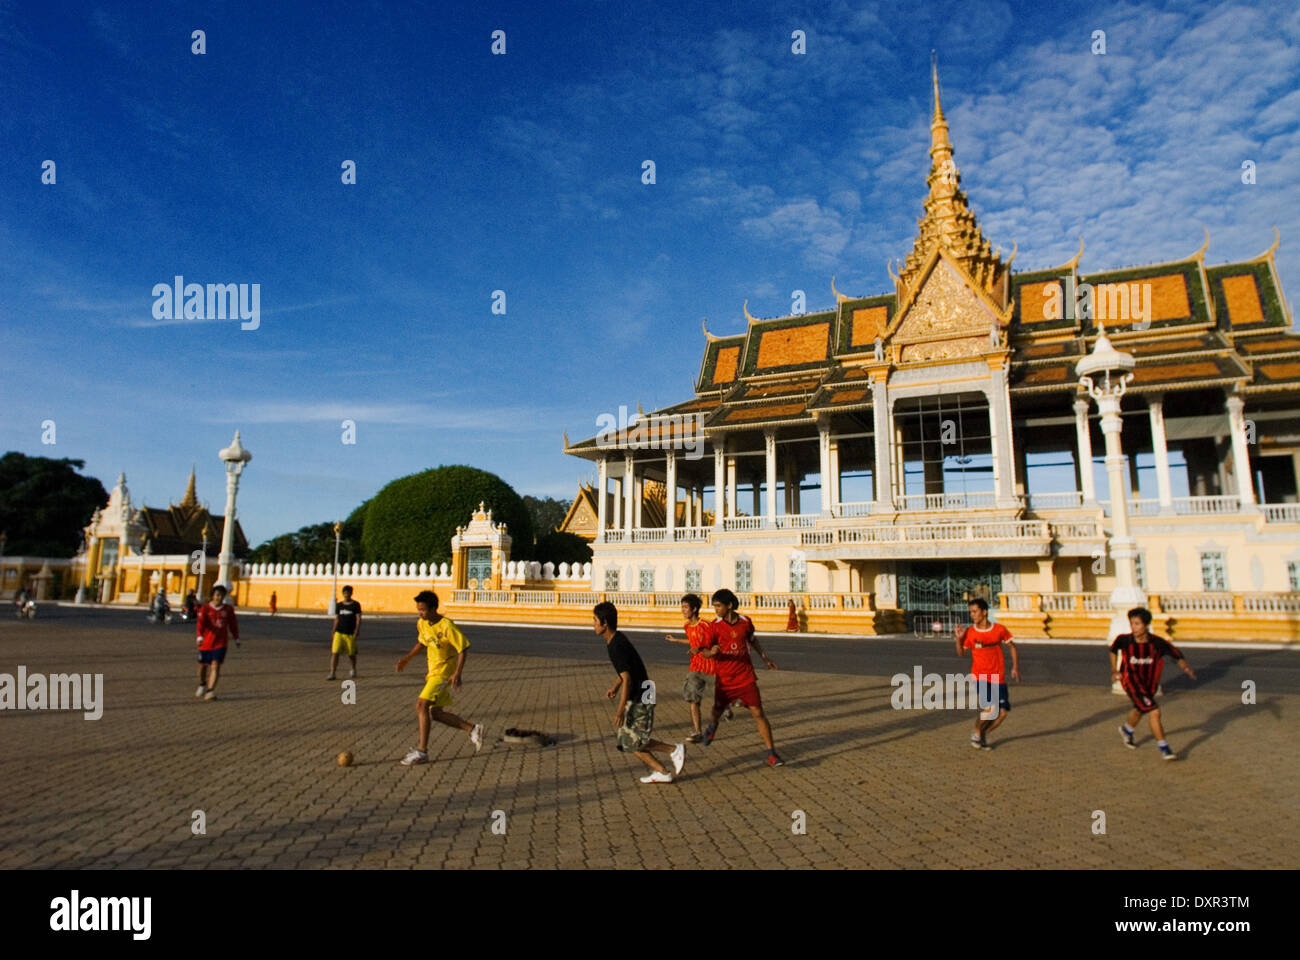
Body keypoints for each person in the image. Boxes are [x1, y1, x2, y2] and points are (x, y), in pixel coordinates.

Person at [597, 601, 684, 783]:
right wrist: (615, 687)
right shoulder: (616, 640)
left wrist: (620, 710)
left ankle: (673, 750)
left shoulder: (616, 646)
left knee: (635, 741)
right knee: (627, 743)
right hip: (641, 692)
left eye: (595, 621)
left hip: (642, 694)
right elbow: (626, 672)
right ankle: (662, 772)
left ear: (605, 624)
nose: (593, 625)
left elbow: (627, 678)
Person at [395, 590, 483, 766]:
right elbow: (422, 642)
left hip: (443, 673)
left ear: (434, 608)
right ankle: (473, 729)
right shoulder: (422, 623)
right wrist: (407, 658)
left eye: (423, 610)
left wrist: (458, 673)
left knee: (421, 705)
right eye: (418, 609)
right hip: (432, 673)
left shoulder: (447, 626)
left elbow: (463, 648)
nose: (420, 613)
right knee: (435, 713)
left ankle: (422, 751)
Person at [697, 589, 783, 766]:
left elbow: (752, 639)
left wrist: (765, 658)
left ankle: (771, 753)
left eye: (718, 606)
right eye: (714, 606)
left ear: (729, 606)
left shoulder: (745, 622)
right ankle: (712, 727)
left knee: (758, 712)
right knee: (716, 711)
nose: (716, 610)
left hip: (745, 676)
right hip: (725, 679)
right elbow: (704, 650)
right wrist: (711, 652)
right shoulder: (714, 626)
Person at [1110, 607, 1196, 761]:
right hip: (1130, 681)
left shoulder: (1157, 643)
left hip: (1149, 684)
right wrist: (1115, 670)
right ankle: (1164, 748)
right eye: (1132, 624)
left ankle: (1127, 730)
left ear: (1146, 625)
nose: (1133, 628)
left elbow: (1176, 655)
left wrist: (1186, 668)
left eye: (1137, 624)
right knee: (1154, 711)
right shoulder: (1124, 640)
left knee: (1140, 708)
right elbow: (1113, 649)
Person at [955, 597, 1019, 750]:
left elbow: (1012, 646)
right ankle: (977, 731)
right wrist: (958, 639)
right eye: (970, 612)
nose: (972, 615)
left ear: (984, 612)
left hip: (998, 676)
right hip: (980, 676)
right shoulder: (970, 632)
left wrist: (1015, 667)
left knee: (1002, 713)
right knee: (991, 709)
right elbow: (961, 653)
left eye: (975, 612)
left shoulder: (999, 630)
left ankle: (983, 734)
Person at [665, 593, 715, 742]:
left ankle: (727, 709)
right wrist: (676, 640)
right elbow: (692, 641)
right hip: (695, 667)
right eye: (682, 607)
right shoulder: (686, 626)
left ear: (694, 609)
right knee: (693, 699)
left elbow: (714, 642)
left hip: (711, 667)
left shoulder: (706, 625)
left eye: (685, 607)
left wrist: (700, 648)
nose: (683, 610)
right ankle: (698, 731)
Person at [195, 584, 240, 701]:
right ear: (212, 596)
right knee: (202, 667)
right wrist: (199, 637)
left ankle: (210, 691)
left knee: (215, 666)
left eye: (221, 595)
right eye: (217, 595)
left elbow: (233, 624)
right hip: (205, 643)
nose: (219, 597)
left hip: (220, 643)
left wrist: (236, 638)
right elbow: (200, 624)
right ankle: (202, 683)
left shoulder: (228, 610)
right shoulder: (205, 609)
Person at [327, 585, 362, 680]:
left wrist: (357, 629)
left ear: (351, 593)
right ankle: (332, 672)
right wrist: (333, 630)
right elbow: (337, 619)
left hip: (350, 633)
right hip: (339, 632)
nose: (346, 594)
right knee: (335, 652)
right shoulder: (339, 605)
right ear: (343, 594)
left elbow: (358, 618)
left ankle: (353, 668)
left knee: (351, 654)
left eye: (348, 593)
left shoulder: (355, 605)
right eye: (345, 593)